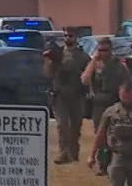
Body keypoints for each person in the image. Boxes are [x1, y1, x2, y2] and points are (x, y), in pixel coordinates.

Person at [88, 82, 132, 186]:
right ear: (119, 93)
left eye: (129, 94)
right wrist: (92, 155)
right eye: (124, 94)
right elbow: (100, 134)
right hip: (117, 157)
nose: (126, 97)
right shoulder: (111, 112)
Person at [81, 36, 129, 175]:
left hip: (114, 103)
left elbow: (125, 83)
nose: (103, 53)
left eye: (105, 50)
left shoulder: (119, 65)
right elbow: (84, 80)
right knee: (100, 135)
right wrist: (93, 62)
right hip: (98, 105)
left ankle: (114, 164)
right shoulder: (94, 64)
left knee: (114, 134)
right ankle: (103, 165)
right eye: (100, 50)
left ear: (111, 50)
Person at [43, 29, 89, 163]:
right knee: (62, 126)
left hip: (76, 95)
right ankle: (63, 153)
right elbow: (47, 74)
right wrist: (49, 60)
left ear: (76, 37)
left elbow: (88, 74)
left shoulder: (83, 56)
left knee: (75, 126)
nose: (68, 38)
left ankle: (73, 153)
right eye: (65, 36)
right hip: (60, 96)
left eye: (70, 35)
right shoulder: (57, 54)